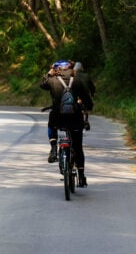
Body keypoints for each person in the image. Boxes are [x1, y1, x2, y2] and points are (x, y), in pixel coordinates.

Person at [40, 59, 94, 187]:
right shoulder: (76, 80)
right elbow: (86, 99)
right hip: (75, 118)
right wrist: (88, 107)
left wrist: (49, 73)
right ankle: (81, 177)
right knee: (78, 147)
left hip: (58, 117)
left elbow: (42, 85)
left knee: (51, 123)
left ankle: (53, 148)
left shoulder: (52, 80)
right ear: (70, 68)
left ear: (57, 69)